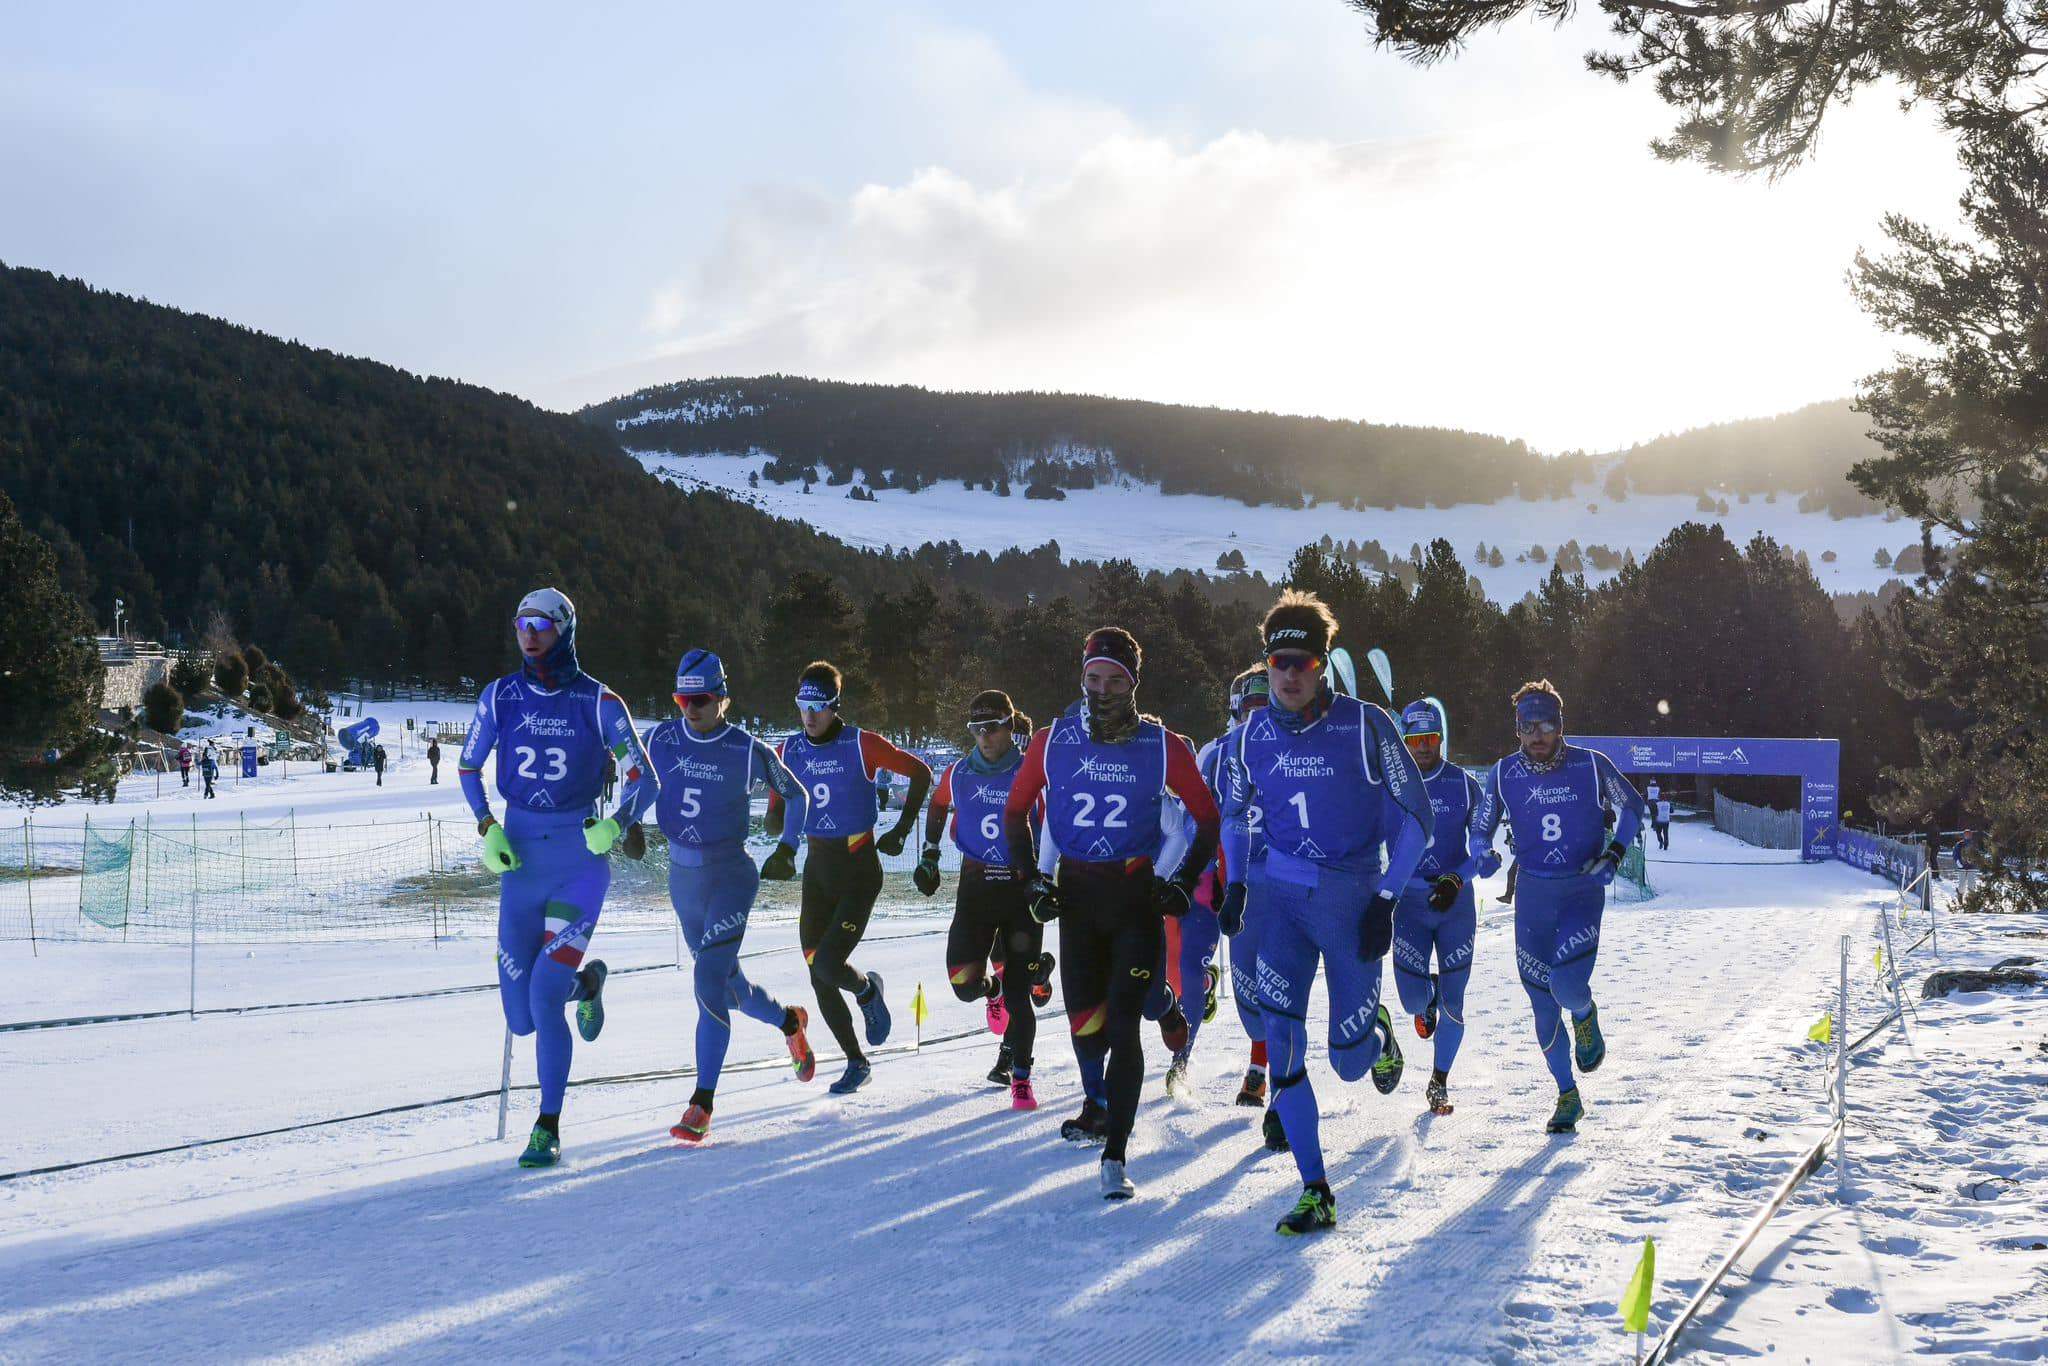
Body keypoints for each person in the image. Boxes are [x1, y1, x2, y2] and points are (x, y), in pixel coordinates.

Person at [1218, 591, 1432, 1235]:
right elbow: (1233, 816)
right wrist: (1236, 885)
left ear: (1323, 664)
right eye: (1278, 661)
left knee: (1347, 1061)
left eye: (1303, 662)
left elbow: (1418, 820)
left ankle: (1378, 1033)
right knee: (1281, 1039)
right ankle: (1315, 1189)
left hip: (1351, 902)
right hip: (1282, 904)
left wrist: (1387, 898)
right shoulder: (1250, 736)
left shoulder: (1366, 725)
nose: (1289, 675)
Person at [1005, 626, 1220, 1201]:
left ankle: (1115, 1153)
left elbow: (1206, 817)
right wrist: (1031, 880)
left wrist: (1180, 883)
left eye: (1115, 681)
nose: (1102, 691)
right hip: (1077, 899)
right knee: (1087, 1029)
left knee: (1124, 1025)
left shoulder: (1161, 745)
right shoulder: (1052, 740)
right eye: (1093, 678)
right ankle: (1159, 1012)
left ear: (1133, 685)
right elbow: (1016, 810)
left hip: (1133, 899)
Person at [458, 587, 655, 1169]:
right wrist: (487, 826)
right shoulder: (500, 696)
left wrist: (616, 824)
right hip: (520, 862)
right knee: (521, 1017)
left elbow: (645, 778)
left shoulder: (599, 701)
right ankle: (586, 986)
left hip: (578, 863)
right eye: (520, 624)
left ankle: (547, 1125)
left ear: (564, 630)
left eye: (540, 625)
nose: (528, 634)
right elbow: (468, 766)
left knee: (543, 997)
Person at [645, 649, 817, 1143]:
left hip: (730, 877)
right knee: (729, 988)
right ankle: (790, 1022)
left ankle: (701, 1103)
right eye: (682, 699)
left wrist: (787, 848)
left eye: (700, 699)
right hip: (682, 880)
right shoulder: (661, 737)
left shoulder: (746, 749)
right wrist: (627, 823)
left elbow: (797, 794)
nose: (690, 709)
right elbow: (633, 779)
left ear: (723, 698)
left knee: (706, 981)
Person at [1475, 679, 1643, 1136]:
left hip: (1580, 891)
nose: (1537, 735)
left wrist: (1614, 854)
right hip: (1532, 897)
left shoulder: (1591, 765)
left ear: (1560, 725)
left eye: (1546, 725)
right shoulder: (1504, 772)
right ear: (1517, 728)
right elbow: (1481, 825)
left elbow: (1632, 805)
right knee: (1542, 1004)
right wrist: (1481, 851)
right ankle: (1567, 1094)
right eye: (1527, 726)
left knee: (1567, 986)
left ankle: (1585, 1013)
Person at [768, 660, 931, 1094]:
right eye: (803, 705)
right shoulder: (787, 751)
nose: (810, 715)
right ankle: (857, 1062)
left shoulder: (862, 744)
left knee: (828, 964)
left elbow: (921, 772)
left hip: (858, 870)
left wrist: (902, 829)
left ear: (835, 705)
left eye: (819, 706)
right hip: (818, 870)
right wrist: (778, 831)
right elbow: (775, 810)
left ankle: (867, 992)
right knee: (816, 971)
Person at [915, 690, 1052, 1109]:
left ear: (1009, 727)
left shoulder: (1033, 772)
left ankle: (1021, 1079)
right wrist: (930, 855)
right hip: (975, 888)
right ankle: (996, 989)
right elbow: (938, 804)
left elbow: (1053, 829)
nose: (984, 737)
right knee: (963, 984)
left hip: (1019, 890)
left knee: (1020, 997)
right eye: (976, 729)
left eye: (992, 728)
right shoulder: (959, 772)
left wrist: (1046, 880)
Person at [1170, 667, 1267, 1113]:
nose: (1259, 716)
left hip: (1268, 884)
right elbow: (1197, 820)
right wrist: (1202, 874)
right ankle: (1181, 1060)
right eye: (1251, 707)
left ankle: (1259, 1067)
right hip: (1217, 880)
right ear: (1235, 710)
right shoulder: (1215, 753)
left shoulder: (1297, 751)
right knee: (1186, 969)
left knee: (1261, 985)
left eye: (1267, 706)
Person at [1391, 697, 1487, 1117]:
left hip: (1454, 904)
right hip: (1409, 904)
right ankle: (1425, 997)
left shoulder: (1463, 784)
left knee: (1455, 1003)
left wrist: (1458, 877)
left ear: (1441, 738)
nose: (1424, 747)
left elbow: (1481, 848)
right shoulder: (1390, 783)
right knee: (1413, 1002)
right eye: (1415, 740)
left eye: (1430, 738)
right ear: (1405, 743)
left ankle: (1439, 1082)